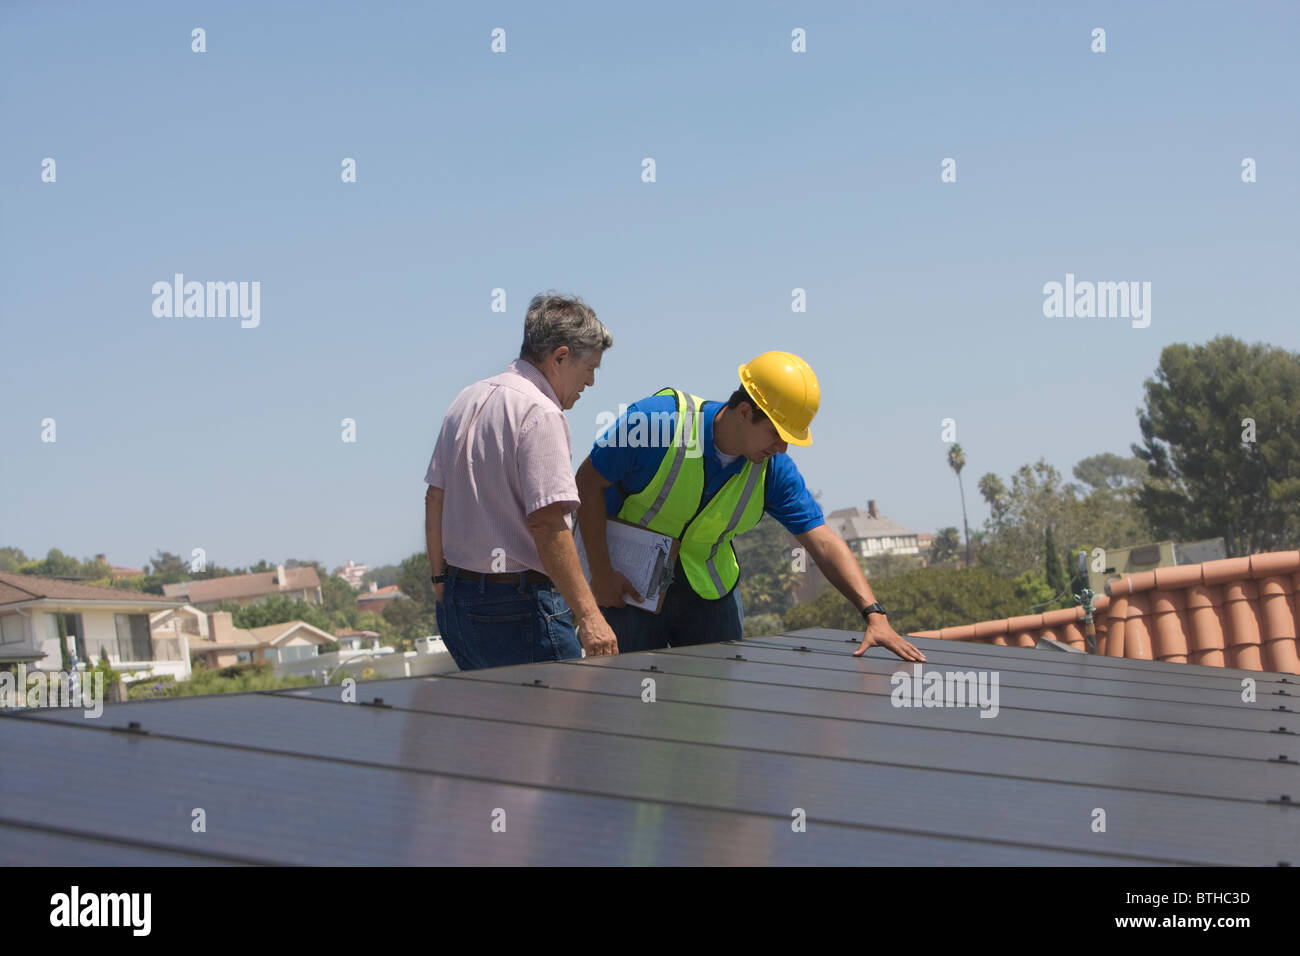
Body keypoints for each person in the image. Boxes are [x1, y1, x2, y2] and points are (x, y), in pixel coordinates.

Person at [574, 351, 926, 662]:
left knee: (709, 709)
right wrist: (602, 575)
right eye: (777, 434)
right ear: (744, 411)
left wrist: (874, 614)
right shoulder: (655, 423)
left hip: (708, 591)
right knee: (626, 699)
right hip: (628, 585)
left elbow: (822, 541)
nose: (783, 449)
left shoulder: (773, 470)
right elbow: (587, 482)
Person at [424, 293, 620, 670]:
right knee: (560, 727)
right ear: (560, 357)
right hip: (520, 610)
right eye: (589, 367)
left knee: (497, 728)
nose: (591, 382)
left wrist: (440, 583)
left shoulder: (466, 399)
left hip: (458, 603)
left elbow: (436, 498)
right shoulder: (540, 412)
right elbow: (547, 524)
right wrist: (591, 618)